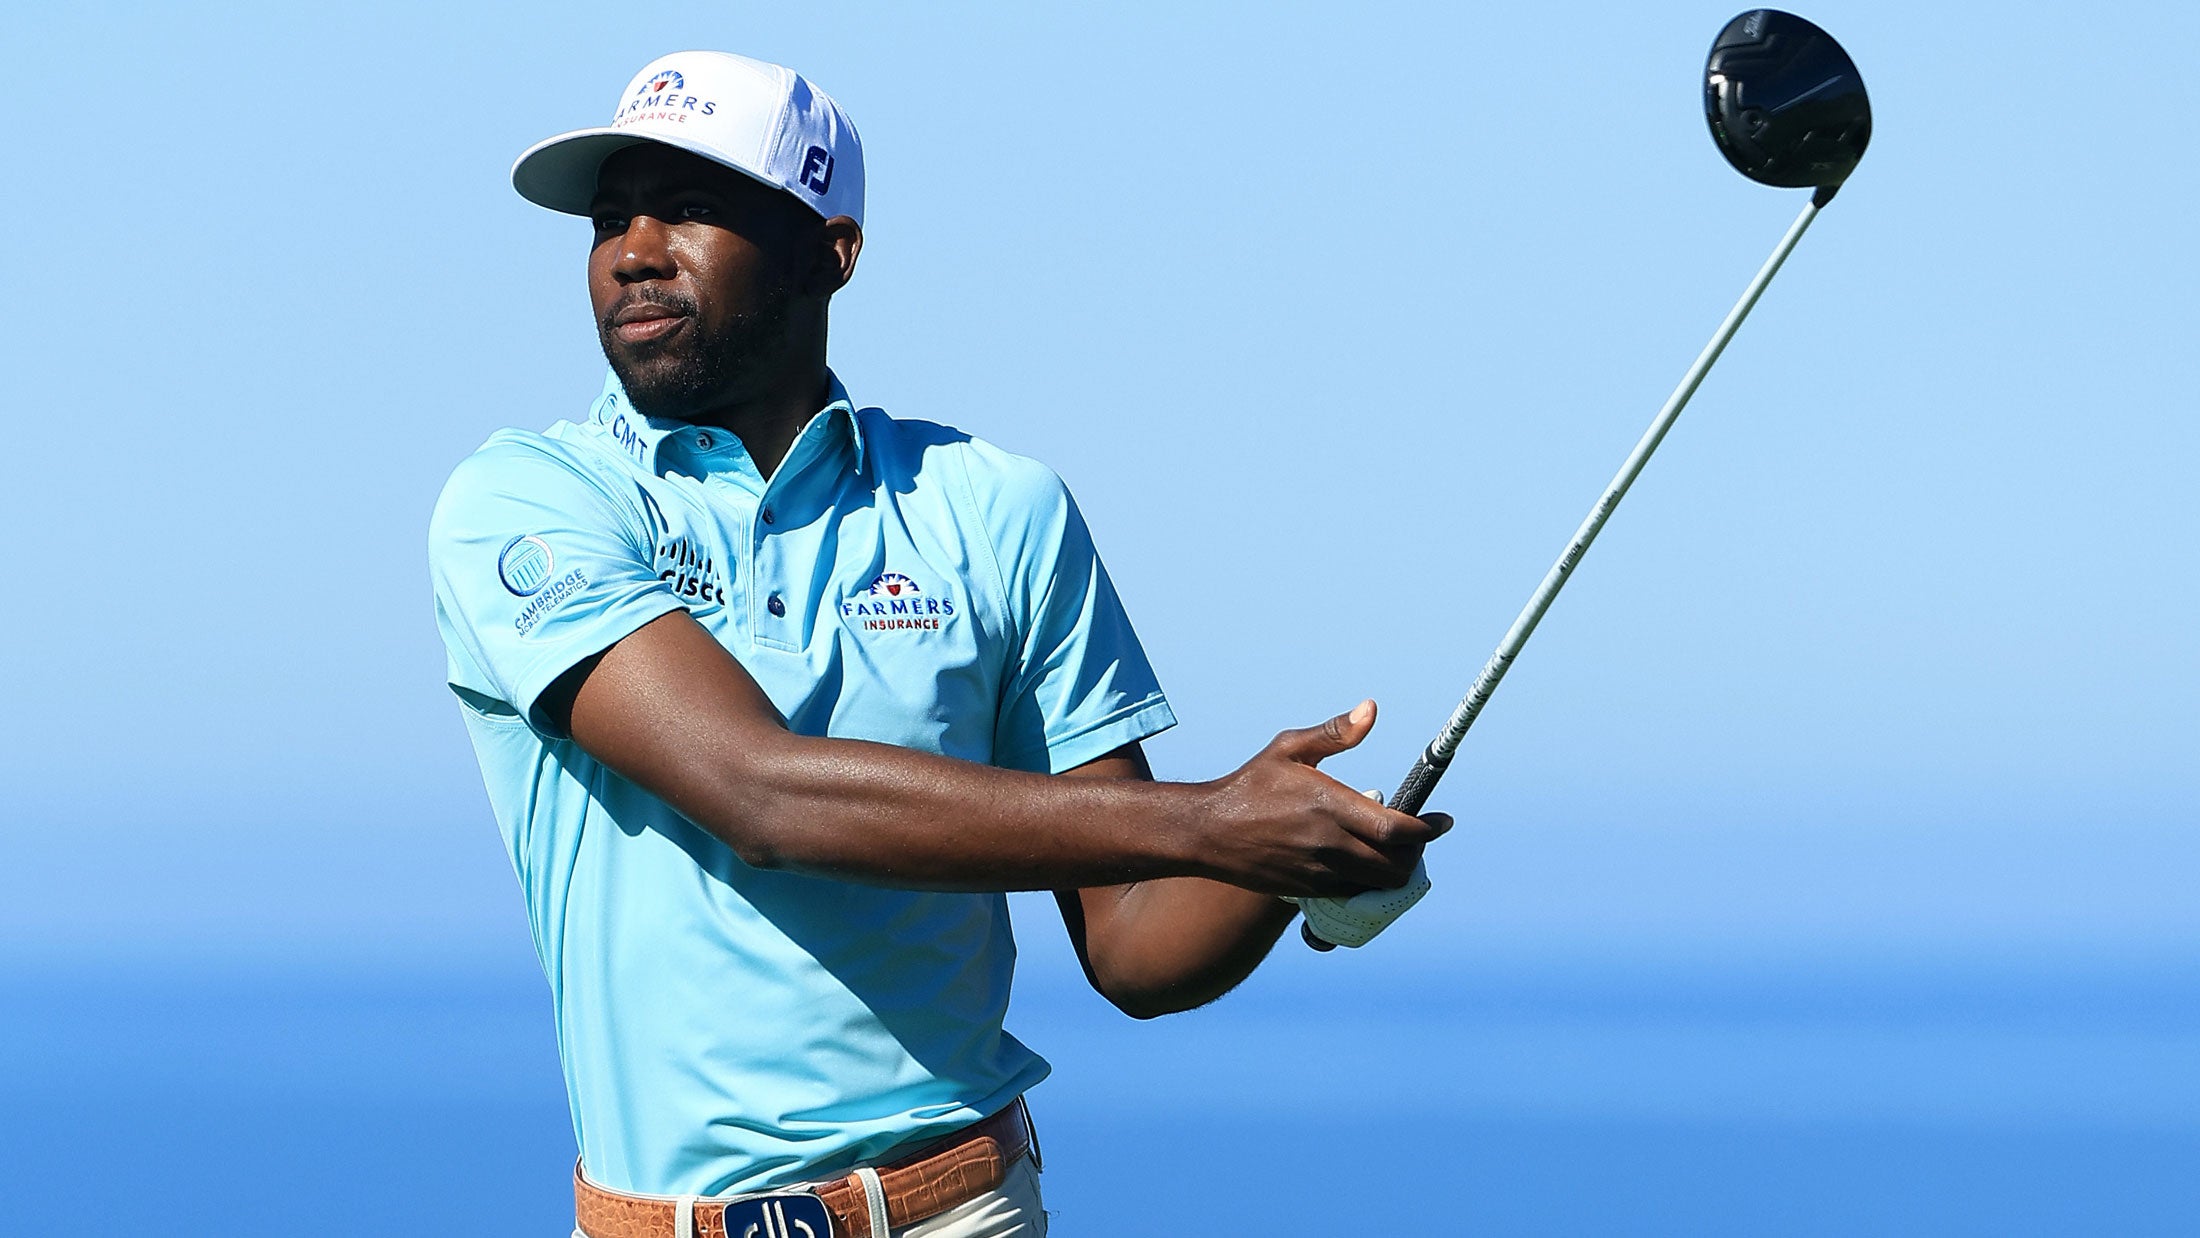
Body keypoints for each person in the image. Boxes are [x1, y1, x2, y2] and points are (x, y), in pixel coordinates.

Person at [428, 50, 1446, 1238]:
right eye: (611, 218)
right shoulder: (530, 500)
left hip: (960, 1209)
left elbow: (1131, 945)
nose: (632, 250)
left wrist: (1293, 856)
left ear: (830, 250)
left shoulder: (994, 507)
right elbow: (761, 796)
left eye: (692, 207)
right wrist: (1208, 821)